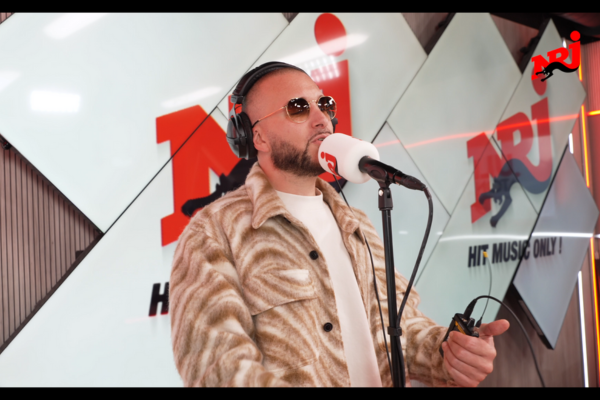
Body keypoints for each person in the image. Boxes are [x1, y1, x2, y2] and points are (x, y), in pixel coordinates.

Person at [169, 62, 509, 387]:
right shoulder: (213, 234)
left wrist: (450, 353)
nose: (322, 119)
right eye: (298, 108)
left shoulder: (357, 224)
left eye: (325, 104)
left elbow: (402, 330)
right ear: (256, 137)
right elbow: (217, 371)